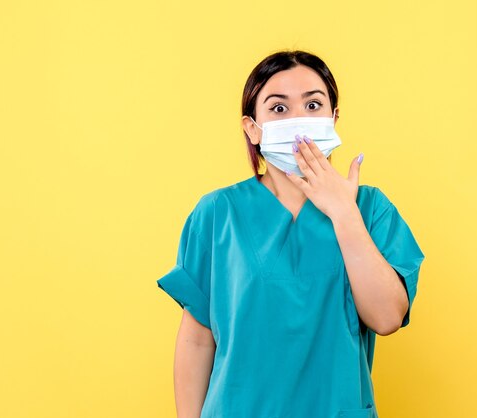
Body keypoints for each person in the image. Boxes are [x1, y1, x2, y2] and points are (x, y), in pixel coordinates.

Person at [156, 49, 425, 418]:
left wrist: (343, 213)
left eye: (313, 105)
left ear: (333, 118)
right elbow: (197, 341)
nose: (299, 120)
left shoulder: (369, 209)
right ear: (252, 127)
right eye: (279, 109)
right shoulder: (218, 214)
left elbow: (387, 318)